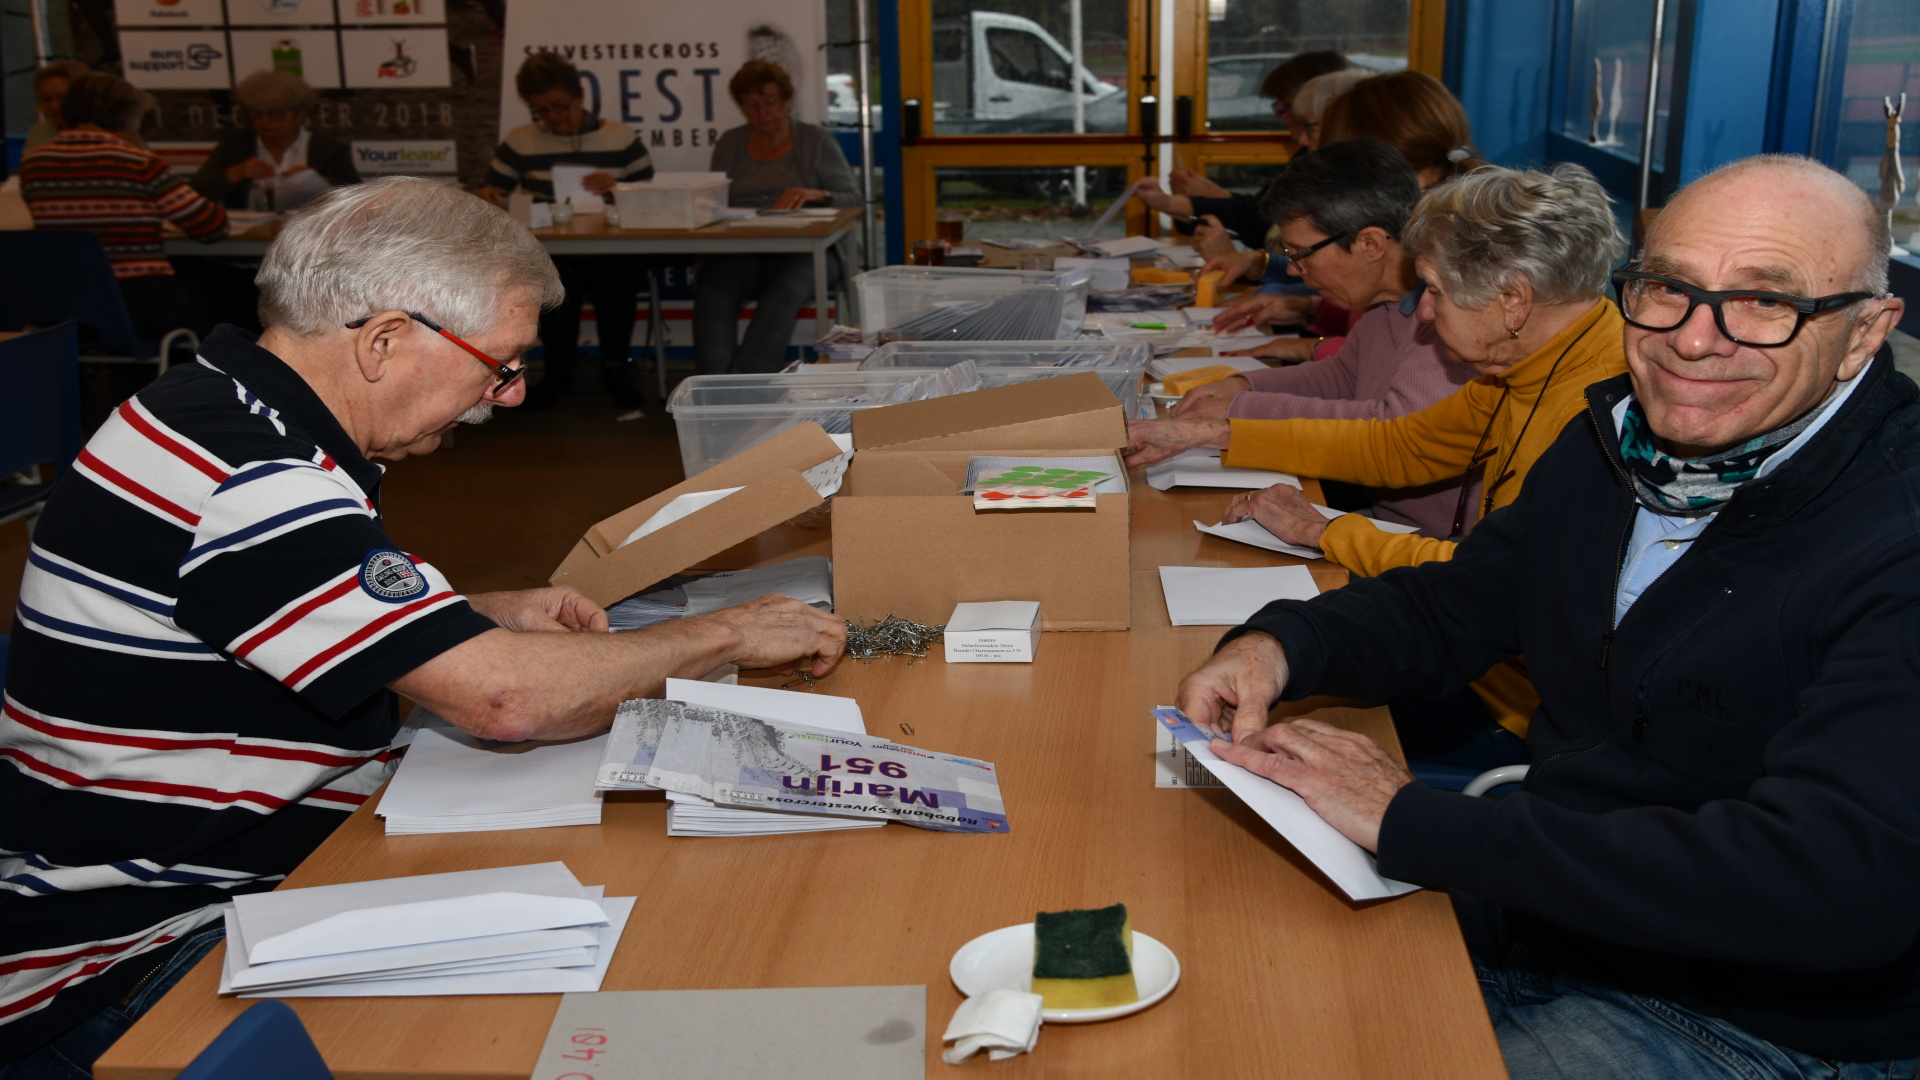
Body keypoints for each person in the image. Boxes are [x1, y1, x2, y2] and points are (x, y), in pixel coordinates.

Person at [0, 177, 846, 1073]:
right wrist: (726, 635)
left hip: (205, 887)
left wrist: (467, 616)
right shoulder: (253, 476)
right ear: (385, 341)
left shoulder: (217, 405)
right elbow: (508, 700)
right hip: (126, 957)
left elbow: (251, 604)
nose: (508, 394)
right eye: (500, 362)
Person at [1174, 155, 1917, 1078]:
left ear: (1863, 331)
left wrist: (1414, 822)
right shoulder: (1620, 441)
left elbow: (1833, 885)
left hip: (1755, 1019)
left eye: (1765, 302)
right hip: (1557, 919)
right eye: (1668, 288)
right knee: (1224, 983)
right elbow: (1460, 603)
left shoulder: (1896, 531)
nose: (1693, 340)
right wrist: (1285, 643)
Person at [1167, 164, 1628, 758]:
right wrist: (1220, 433)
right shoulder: (1529, 361)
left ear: (1513, 300)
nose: (1425, 314)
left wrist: (1327, 531)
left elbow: (1490, 586)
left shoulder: (1601, 417)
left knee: (1220, 707)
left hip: (1515, 710)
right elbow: (1401, 446)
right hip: (1473, 658)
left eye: (1434, 290)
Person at [1124, 139, 1472, 536]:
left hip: (1428, 542)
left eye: (1301, 253)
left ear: (1371, 244)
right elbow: (1344, 375)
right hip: (1381, 515)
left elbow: (1389, 432)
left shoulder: (1444, 319)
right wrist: (1245, 384)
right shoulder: (1383, 303)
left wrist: (1239, 413)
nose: (1292, 270)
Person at [478, 51, 654, 411]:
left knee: (617, 286)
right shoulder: (521, 141)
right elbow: (488, 191)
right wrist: (489, 195)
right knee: (550, 289)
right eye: (541, 110)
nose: (553, 116)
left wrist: (619, 188)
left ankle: (616, 369)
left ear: (579, 96)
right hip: (551, 251)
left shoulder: (620, 138)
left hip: (613, 251)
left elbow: (654, 196)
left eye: (559, 106)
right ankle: (559, 371)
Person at [17, 72, 228, 343]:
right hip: (139, 305)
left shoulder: (33, 164)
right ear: (126, 115)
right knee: (223, 295)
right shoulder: (138, 163)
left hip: (61, 306)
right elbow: (212, 227)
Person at [693, 60, 860, 375]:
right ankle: (714, 385)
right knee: (714, 291)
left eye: (770, 103)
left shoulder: (814, 141)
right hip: (742, 249)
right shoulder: (731, 143)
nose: (762, 113)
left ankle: (751, 384)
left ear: (787, 101)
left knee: (784, 289)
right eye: (752, 106)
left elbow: (854, 199)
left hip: (808, 252)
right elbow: (714, 202)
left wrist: (818, 195)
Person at [189, 70, 360, 211]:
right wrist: (237, 172)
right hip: (249, 234)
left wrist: (320, 182)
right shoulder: (235, 145)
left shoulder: (329, 149)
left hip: (310, 232)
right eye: (257, 114)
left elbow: (356, 199)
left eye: (276, 114)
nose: (265, 121)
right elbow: (195, 192)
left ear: (299, 115)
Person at [24, 60, 88, 151]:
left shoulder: (102, 134)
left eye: (62, 98)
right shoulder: (39, 133)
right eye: (47, 99)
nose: (54, 105)